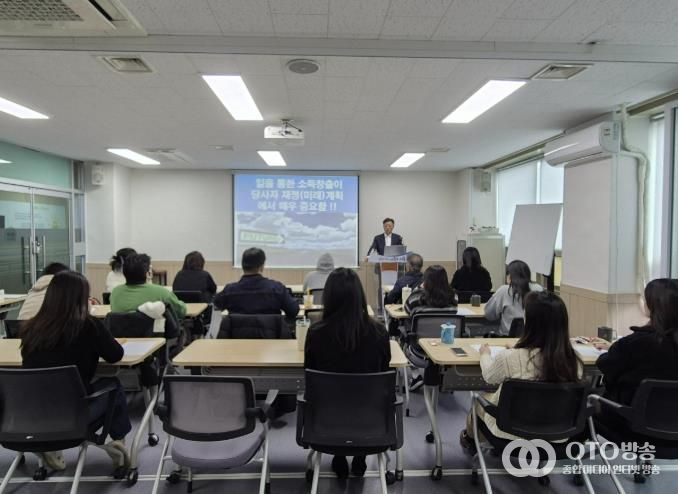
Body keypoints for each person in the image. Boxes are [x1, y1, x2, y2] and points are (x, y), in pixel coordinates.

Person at [20, 271, 132, 472]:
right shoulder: (89, 326)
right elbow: (115, 355)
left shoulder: (31, 328)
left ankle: (50, 448)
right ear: (82, 298)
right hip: (74, 416)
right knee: (114, 386)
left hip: (33, 415)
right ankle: (119, 444)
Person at [460, 291, 582, 451]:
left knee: (479, 401)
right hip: (557, 436)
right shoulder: (573, 361)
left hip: (509, 433)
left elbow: (489, 376)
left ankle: (470, 440)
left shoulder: (510, 357)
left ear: (530, 322)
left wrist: (484, 354)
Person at [304, 267, 391, 479]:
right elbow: (383, 370)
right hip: (370, 418)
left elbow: (309, 374)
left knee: (334, 396)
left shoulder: (316, 333)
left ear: (328, 297)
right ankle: (360, 458)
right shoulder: (379, 332)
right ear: (359, 296)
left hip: (327, 419)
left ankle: (339, 456)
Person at [595, 279, 678, 408]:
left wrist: (614, 349)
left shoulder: (635, 343)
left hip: (625, 415)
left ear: (652, 305)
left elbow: (605, 365)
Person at [403, 265, 457, 390]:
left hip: (419, 351)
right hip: (446, 347)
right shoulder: (454, 297)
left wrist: (419, 288)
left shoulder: (416, 297)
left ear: (426, 280)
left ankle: (416, 376)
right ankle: (443, 376)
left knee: (404, 334)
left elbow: (406, 309)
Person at [214, 248, 299, 318]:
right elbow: (293, 311)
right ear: (261, 267)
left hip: (237, 334)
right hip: (270, 334)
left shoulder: (229, 291)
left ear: (243, 266)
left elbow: (215, 308)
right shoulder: (277, 289)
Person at [110, 253, 186, 319]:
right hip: (154, 331)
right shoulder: (161, 293)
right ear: (148, 273)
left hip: (121, 331)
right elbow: (181, 311)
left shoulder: (115, 293)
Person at [484, 260, 543, 335]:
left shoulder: (504, 290)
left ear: (509, 276)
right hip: (534, 338)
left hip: (508, 338)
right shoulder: (539, 289)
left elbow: (489, 314)